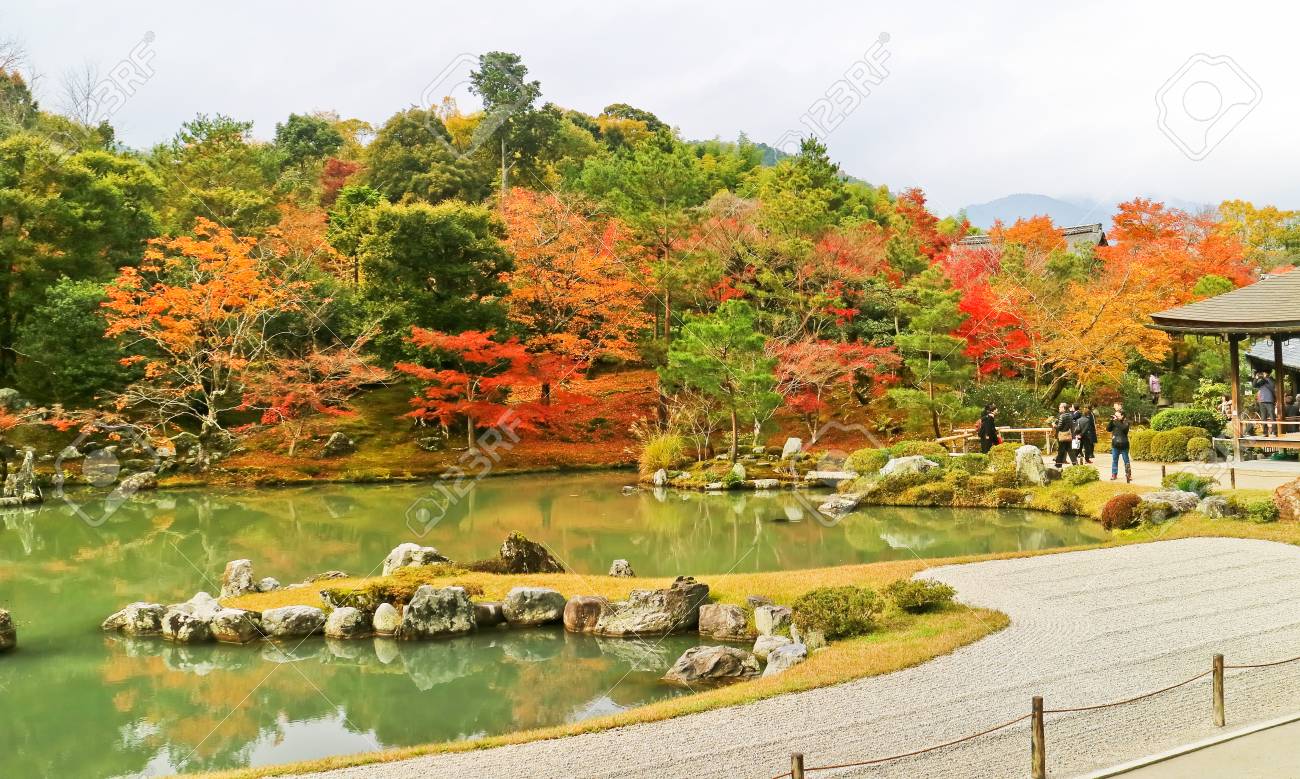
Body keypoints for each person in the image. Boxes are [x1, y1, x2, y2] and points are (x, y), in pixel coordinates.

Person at [1108, 409, 1132, 482]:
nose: (1116, 417)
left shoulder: (1126, 422)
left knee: (1126, 460)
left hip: (1124, 445)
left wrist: (1116, 421)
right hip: (1115, 445)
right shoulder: (1114, 422)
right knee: (1114, 460)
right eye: (1115, 415)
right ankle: (1114, 474)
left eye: (1117, 416)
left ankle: (1128, 474)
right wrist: (1111, 421)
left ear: (1122, 416)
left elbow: (1123, 428)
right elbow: (1108, 429)